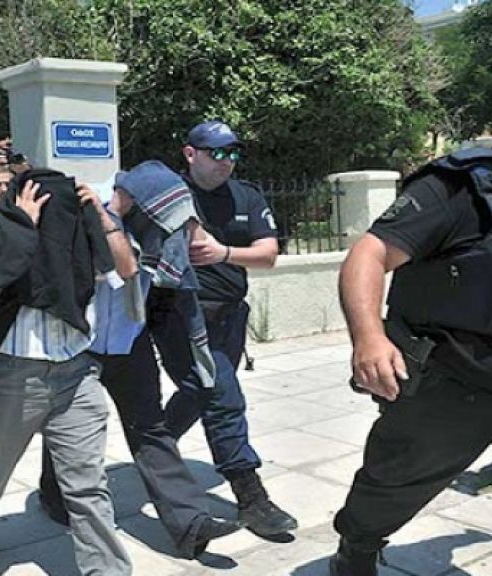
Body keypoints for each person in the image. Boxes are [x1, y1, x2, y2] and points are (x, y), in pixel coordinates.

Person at [330, 71, 492, 575]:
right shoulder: (455, 190)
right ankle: (356, 548)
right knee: (390, 487)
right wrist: (368, 338)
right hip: (455, 391)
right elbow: (368, 255)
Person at [37, 162, 243, 559]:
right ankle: (53, 493)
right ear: (136, 199)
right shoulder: (83, 210)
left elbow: (177, 262)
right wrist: (106, 217)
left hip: (129, 341)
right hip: (79, 345)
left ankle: (190, 522)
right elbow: (124, 267)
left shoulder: (155, 230)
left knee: (150, 429)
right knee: (72, 432)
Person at [0, 170, 135, 574]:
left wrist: (101, 217)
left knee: (88, 484)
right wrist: (20, 228)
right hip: (9, 375)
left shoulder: (77, 237)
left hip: (76, 373)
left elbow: (125, 267)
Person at [147, 120, 297, 536]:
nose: (225, 161)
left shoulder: (246, 195)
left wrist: (222, 252)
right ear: (190, 153)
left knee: (199, 394)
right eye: (216, 153)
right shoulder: (169, 192)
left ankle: (155, 447)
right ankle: (251, 497)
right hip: (183, 315)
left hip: (231, 317)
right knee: (223, 397)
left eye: (232, 153)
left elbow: (268, 254)